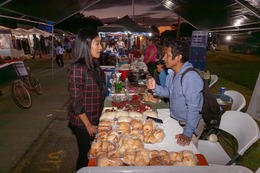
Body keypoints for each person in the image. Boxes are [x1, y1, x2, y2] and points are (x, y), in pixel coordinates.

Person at [146, 41, 204, 147]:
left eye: (167, 55)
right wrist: (155, 87)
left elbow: (194, 108)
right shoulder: (171, 73)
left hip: (187, 125)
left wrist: (187, 133)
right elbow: (169, 93)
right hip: (176, 120)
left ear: (178, 57)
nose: (163, 58)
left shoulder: (190, 77)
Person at [67, 27, 105, 171]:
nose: (100, 47)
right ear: (85, 45)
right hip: (83, 122)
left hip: (94, 116)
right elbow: (76, 103)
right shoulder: (77, 69)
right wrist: (88, 125)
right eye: (97, 43)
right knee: (85, 154)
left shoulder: (93, 64)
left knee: (94, 153)